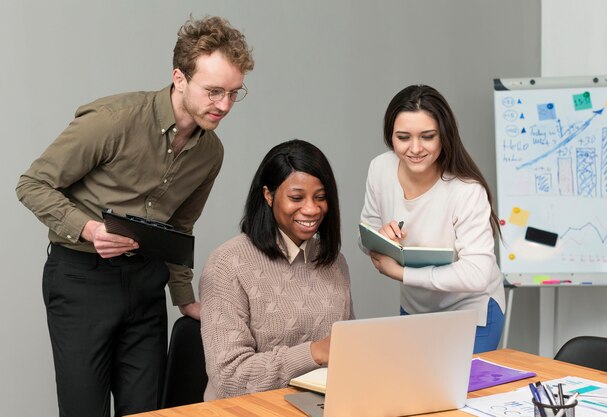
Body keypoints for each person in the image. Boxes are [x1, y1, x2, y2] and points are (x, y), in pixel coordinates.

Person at [15, 16, 254, 417]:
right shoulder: (115, 119)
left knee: (148, 412)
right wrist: (89, 229)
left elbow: (180, 227)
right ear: (179, 78)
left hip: (146, 283)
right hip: (80, 280)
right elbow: (32, 184)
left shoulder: (211, 152)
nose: (225, 105)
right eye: (214, 91)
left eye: (234, 93)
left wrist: (183, 297)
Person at [200, 139, 354, 400]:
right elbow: (229, 378)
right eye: (296, 197)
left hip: (318, 407)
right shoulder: (227, 263)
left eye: (321, 197)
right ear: (268, 195)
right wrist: (314, 352)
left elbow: (347, 355)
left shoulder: (335, 262)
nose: (312, 209)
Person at [360, 84, 505, 353]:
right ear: (390, 137)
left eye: (427, 136)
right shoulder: (381, 168)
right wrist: (380, 238)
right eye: (403, 137)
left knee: (462, 393)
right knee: (416, 391)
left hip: (472, 313)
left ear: (444, 136)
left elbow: (476, 275)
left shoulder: (466, 190)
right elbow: (366, 232)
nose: (415, 148)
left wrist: (402, 273)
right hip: (416, 308)